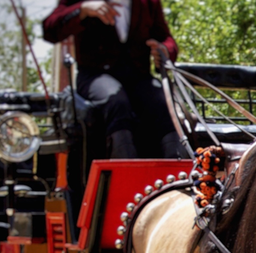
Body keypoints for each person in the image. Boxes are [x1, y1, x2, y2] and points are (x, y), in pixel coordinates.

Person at [43, 0, 181, 158]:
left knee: (164, 102)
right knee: (116, 101)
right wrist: (82, 10)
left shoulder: (148, 3)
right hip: (94, 76)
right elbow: (50, 29)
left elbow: (166, 39)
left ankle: (177, 173)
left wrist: (164, 51)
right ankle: (125, 171)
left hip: (138, 77)